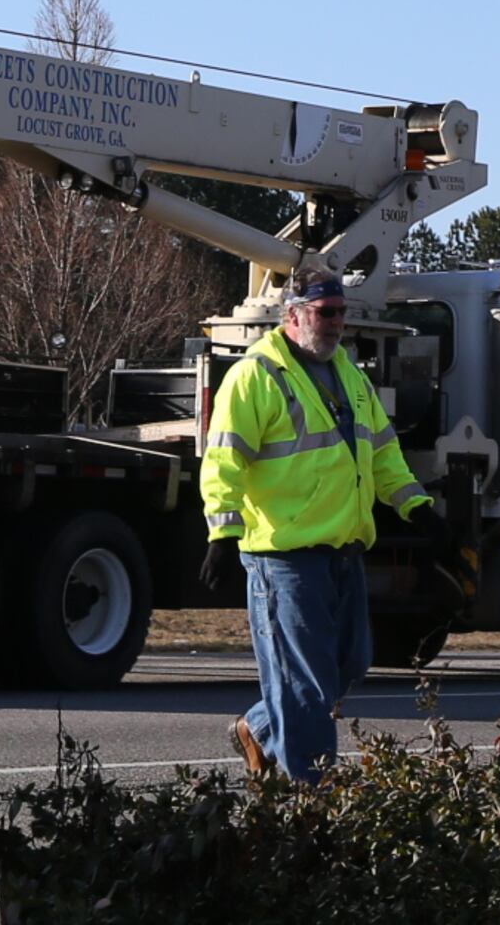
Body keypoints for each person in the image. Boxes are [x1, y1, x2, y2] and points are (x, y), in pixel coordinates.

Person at [200, 267, 433, 780]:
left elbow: (382, 452)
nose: (336, 323)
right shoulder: (256, 375)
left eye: (342, 313)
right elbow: (223, 460)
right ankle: (313, 791)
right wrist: (223, 532)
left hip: (342, 549)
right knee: (306, 681)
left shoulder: (350, 375)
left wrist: (414, 503)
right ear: (293, 315)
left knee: (348, 665)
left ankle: (259, 729)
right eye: (326, 312)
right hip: (284, 555)